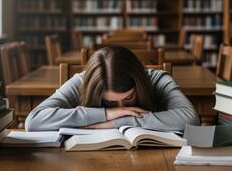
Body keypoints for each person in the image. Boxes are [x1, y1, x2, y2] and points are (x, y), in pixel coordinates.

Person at [25, 46, 199, 132]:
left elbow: (191, 119)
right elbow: (33, 121)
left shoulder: (157, 79)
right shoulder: (82, 82)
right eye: (110, 101)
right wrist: (106, 114)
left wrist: (115, 123)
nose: (121, 108)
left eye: (129, 97)